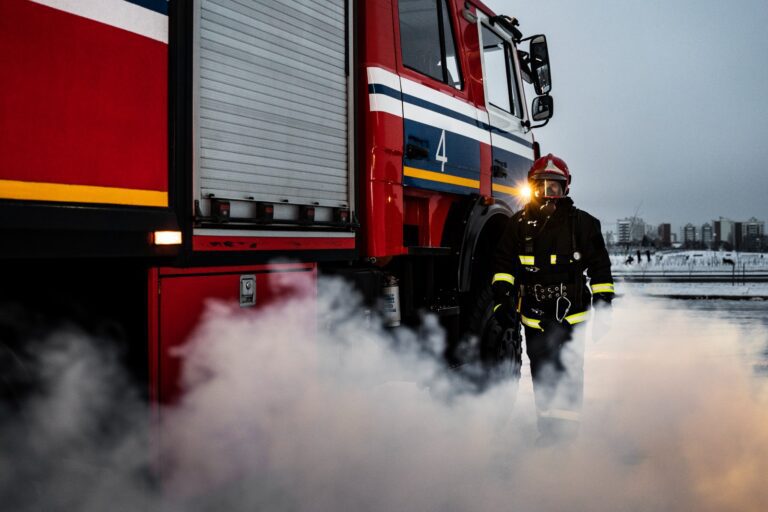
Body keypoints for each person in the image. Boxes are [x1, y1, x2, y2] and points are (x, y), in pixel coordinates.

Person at [491, 154, 614, 446]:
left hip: (571, 316)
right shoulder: (517, 225)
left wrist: (605, 305)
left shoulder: (583, 224)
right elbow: (503, 266)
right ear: (531, 187)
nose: (548, 193)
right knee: (542, 372)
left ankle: (566, 438)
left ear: (565, 189)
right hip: (534, 315)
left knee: (569, 372)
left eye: (554, 187)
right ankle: (548, 432)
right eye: (541, 187)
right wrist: (501, 302)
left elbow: (600, 268)